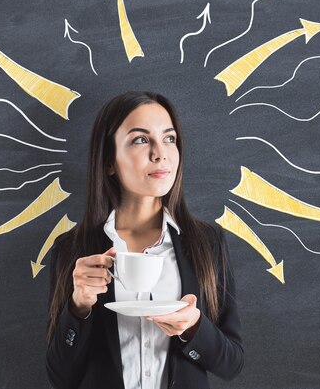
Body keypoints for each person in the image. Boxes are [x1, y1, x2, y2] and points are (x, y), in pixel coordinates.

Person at [46, 91, 243, 389]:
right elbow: (60, 377)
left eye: (169, 139)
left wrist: (193, 328)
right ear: (109, 161)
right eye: (140, 139)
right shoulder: (71, 250)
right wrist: (78, 307)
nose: (160, 153)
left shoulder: (207, 243)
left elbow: (232, 363)